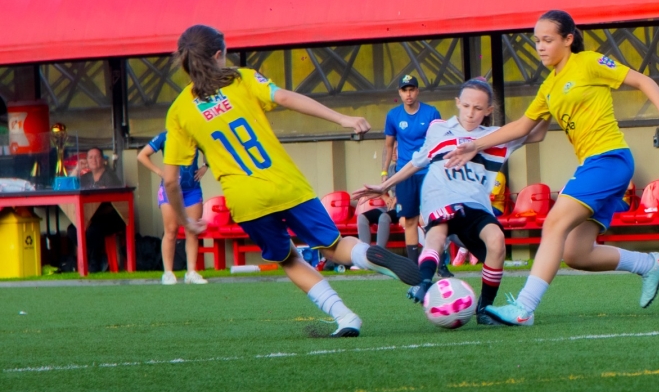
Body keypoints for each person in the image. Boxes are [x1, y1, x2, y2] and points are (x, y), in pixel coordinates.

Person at [162, 25, 420, 337]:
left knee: (289, 258)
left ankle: (346, 317)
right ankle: (367, 254)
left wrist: (186, 222)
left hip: (247, 200)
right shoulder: (241, 79)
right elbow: (285, 97)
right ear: (218, 55)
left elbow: (171, 181)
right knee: (334, 246)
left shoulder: (179, 111)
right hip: (287, 183)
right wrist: (343, 118)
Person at [446, 10, 659, 326]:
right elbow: (522, 126)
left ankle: (523, 308)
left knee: (553, 224)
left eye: (547, 40)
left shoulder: (588, 62)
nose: (540, 47)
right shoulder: (549, 86)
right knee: (576, 253)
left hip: (609, 159)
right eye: (537, 41)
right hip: (595, 165)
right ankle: (648, 264)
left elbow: (642, 80)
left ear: (568, 39)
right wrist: (475, 145)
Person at [355, 78, 548, 325]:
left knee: (496, 241)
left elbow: (538, 133)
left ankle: (484, 308)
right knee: (437, 235)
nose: (470, 113)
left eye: (478, 108)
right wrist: (385, 185)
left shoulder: (496, 137)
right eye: (466, 106)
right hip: (442, 196)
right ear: (457, 102)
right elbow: (417, 161)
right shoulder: (439, 128)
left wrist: (549, 104)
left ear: (488, 110)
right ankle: (425, 283)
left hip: (475, 203)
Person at [382, 74, 442, 264]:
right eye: (404, 90)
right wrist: (384, 173)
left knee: (435, 219)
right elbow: (389, 146)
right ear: (399, 93)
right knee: (409, 220)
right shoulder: (393, 115)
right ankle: (414, 266)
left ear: (417, 91)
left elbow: (440, 144)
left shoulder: (431, 113)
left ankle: (440, 264)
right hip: (404, 174)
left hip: (428, 172)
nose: (408, 94)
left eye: (411, 90)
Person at [137, 131, 209, 285]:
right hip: (170, 189)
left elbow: (210, 147)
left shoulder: (194, 134)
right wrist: (160, 172)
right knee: (171, 230)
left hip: (192, 189)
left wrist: (206, 165)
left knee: (192, 230)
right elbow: (142, 155)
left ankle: (191, 272)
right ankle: (168, 273)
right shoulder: (165, 136)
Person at [70, 147, 125, 272]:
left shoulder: (110, 176)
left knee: (92, 231)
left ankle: (94, 262)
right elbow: (68, 185)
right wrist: (77, 169)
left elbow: (111, 204)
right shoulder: (86, 177)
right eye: (90, 157)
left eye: (97, 157)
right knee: (72, 230)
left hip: (110, 217)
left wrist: (91, 218)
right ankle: (89, 258)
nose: (93, 160)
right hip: (89, 217)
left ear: (103, 160)